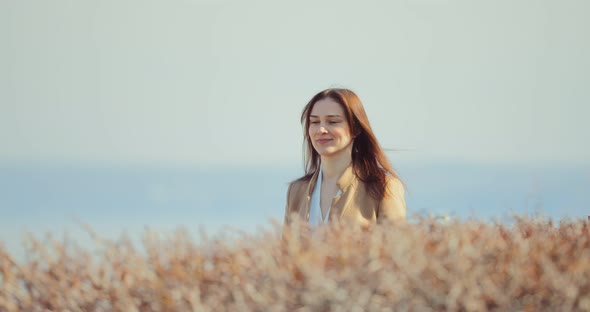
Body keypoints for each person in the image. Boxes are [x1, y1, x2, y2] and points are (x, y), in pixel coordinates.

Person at [283, 88, 406, 233]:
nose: (321, 129)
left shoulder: (384, 188)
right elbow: (286, 253)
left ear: (355, 128)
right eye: (314, 122)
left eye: (333, 121)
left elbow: (396, 251)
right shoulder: (297, 191)